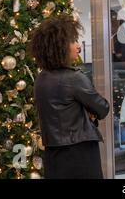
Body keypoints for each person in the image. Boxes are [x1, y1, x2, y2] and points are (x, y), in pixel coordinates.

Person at [30, 15, 110, 179]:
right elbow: (102, 108)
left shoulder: (41, 79)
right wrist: (88, 111)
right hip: (80, 155)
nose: (78, 46)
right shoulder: (74, 78)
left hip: (53, 155)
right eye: (74, 41)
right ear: (61, 46)